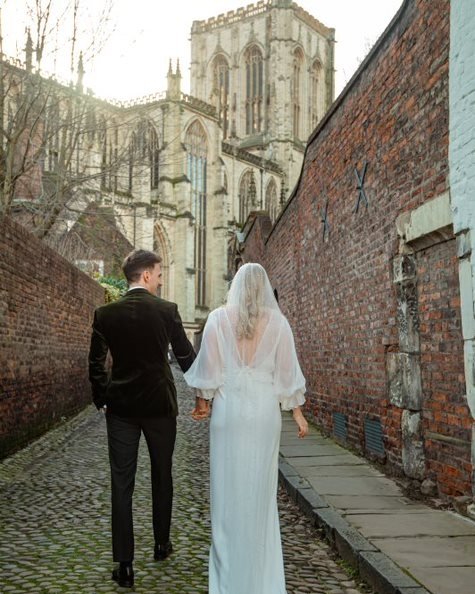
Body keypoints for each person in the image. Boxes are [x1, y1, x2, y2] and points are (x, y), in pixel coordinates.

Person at [184, 262, 308, 594]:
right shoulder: (279, 324)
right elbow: (287, 375)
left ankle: (228, 582)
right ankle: (262, 581)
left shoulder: (217, 319)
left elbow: (208, 372)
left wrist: (202, 405)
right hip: (264, 417)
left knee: (226, 498)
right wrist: (297, 414)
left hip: (229, 416)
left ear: (236, 286)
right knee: (260, 498)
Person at [88, 249, 195, 588]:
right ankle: (162, 544)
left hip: (121, 408)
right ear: (146, 275)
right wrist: (207, 392)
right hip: (160, 406)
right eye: (159, 274)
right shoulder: (167, 311)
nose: (161, 280)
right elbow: (186, 358)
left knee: (122, 483)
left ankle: (125, 564)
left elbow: (95, 363)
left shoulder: (105, 313)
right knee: (162, 474)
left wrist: (103, 397)